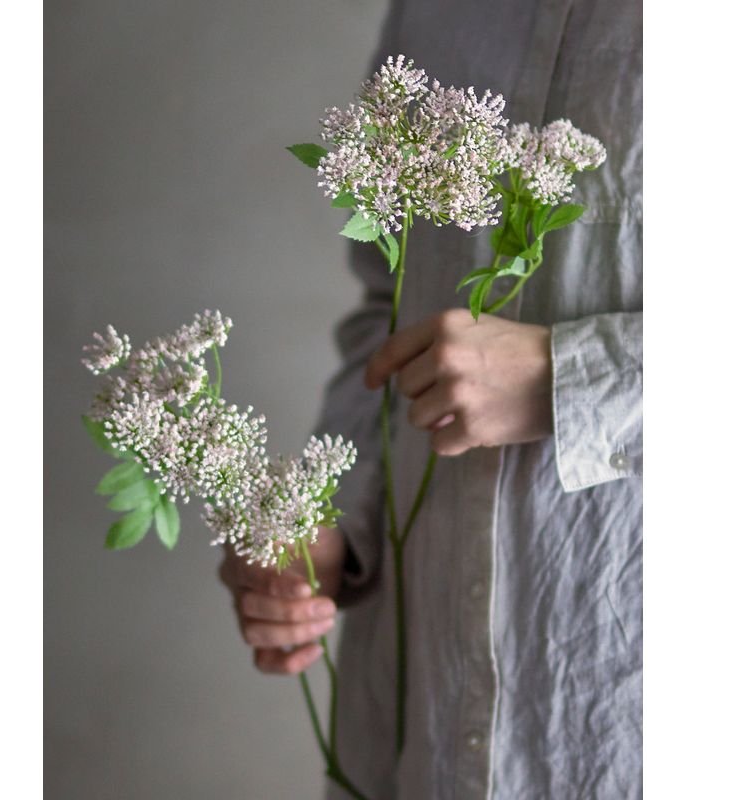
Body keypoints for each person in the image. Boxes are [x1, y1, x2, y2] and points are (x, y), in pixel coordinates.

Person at [219, 0, 642, 797]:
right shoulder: (437, 14)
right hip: (423, 720)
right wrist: (331, 516)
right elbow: (393, 303)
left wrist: (575, 378)